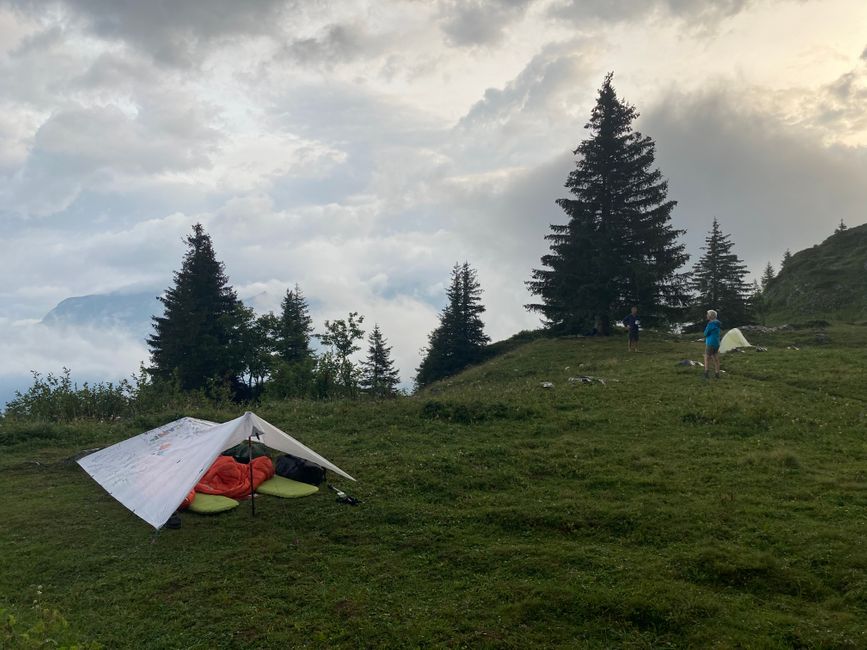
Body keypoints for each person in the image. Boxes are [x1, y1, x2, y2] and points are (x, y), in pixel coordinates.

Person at [704, 309, 721, 379]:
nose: (707, 316)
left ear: (711, 316)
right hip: (716, 343)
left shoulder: (710, 324)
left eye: (708, 314)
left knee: (707, 358)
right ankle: (717, 373)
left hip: (710, 342)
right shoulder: (718, 323)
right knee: (716, 358)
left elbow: (705, 333)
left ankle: (706, 374)